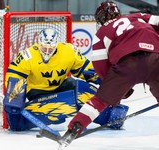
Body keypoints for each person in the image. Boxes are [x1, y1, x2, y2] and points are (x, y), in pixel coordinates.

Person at [62, 0, 159, 144]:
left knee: (99, 101)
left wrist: (113, 88)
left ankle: (74, 128)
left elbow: (100, 65)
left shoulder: (102, 32)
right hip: (155, 59)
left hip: (127, 66)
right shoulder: (137, 16)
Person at [3, 28, 128, 131]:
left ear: (56, 45)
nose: (47, 51)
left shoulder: (68, 51)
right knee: (60, 105)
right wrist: (14, 98)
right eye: (44, 48)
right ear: (38, 44)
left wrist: (104, 79)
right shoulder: (27, 55)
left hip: (61, 86)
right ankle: (19, 120)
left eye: (50, 48)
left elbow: (85, 68)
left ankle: (110, 115)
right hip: (38, 92)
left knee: (82, 89)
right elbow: (15, 75)